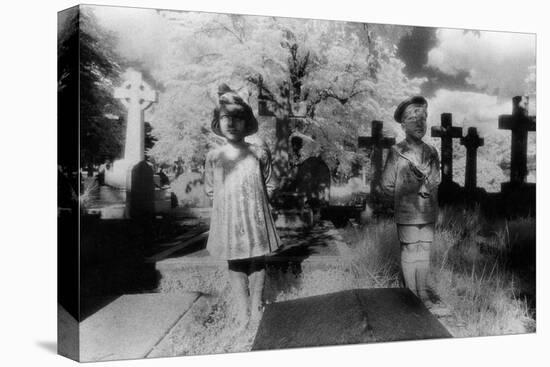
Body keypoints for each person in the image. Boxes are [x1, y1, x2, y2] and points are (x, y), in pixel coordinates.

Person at [204, 84, 281, 331]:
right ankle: (242, 305)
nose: (232, 123)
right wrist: (225, 211)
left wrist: (259, 207)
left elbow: (270, 182)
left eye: (238, 118)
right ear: (218, 121)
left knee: (257, 259)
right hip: (229, 217)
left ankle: (257, 303)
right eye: (226, 117)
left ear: (246, 122)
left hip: (255, 215)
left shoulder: (257, 152)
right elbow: (211, 188)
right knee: (235, 261)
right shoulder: (214, 156)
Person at [380, 96, 443, 310]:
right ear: (403, 124)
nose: (419, 123)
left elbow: (435, 180)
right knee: (409, 249)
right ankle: (411, 293)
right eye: (412, 119)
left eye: (423, 119)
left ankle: (423, 292)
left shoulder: (432, 152)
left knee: (424, 250)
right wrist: (403, 198)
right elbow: (387, 184)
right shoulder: (397, 152)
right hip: (407, 211)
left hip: (427, 211)